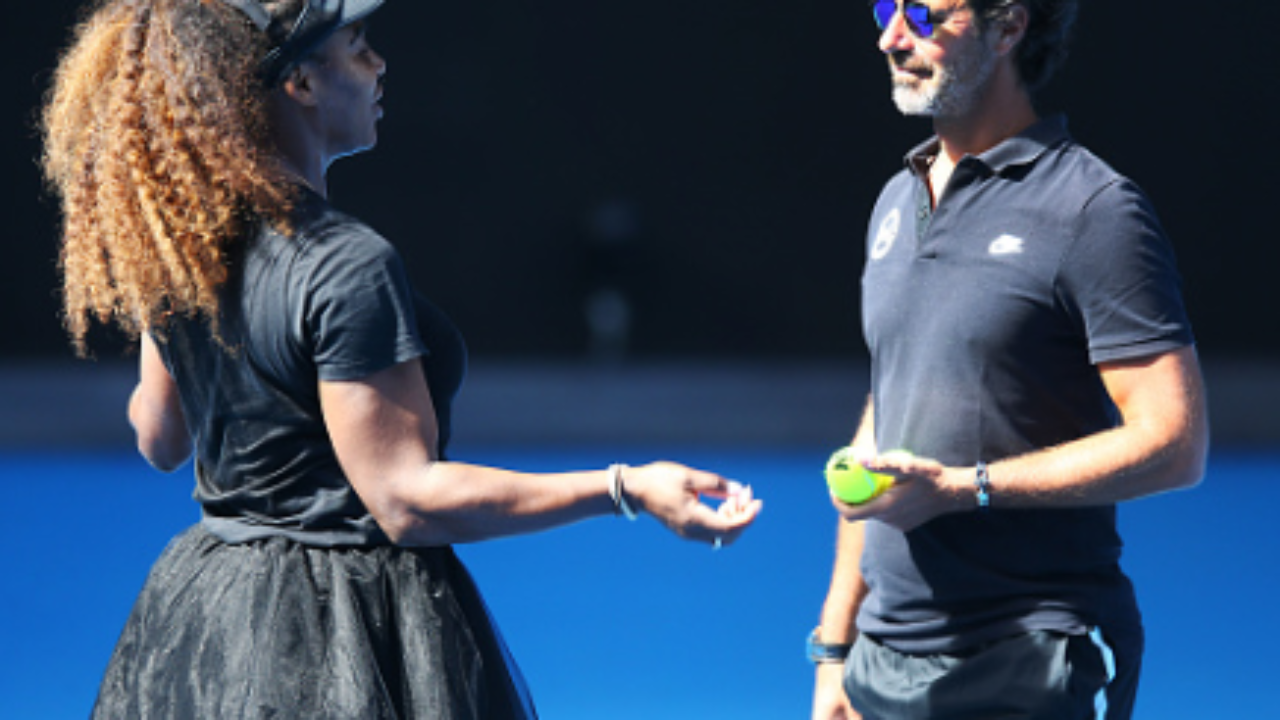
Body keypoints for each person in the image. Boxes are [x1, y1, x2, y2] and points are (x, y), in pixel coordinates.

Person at [41, 1, 763, 717]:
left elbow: (159, 438)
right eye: (358, 45)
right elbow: (407, 499)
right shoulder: (347, 265)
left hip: (205, 626)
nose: (379, 64)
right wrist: (625, 487)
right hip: (347, 630)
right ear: (301, 82)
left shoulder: (184, 252)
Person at [807, 2, 1208, 719]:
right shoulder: (896, 199)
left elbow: (1175, 445)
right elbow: (886, 413)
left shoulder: (1096, 210)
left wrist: (966, 489)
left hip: (1032, 659)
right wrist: (836, 645)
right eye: (885, 8)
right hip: (882, 661)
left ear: (1008, 27)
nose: (891, 38)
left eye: (923, 15)